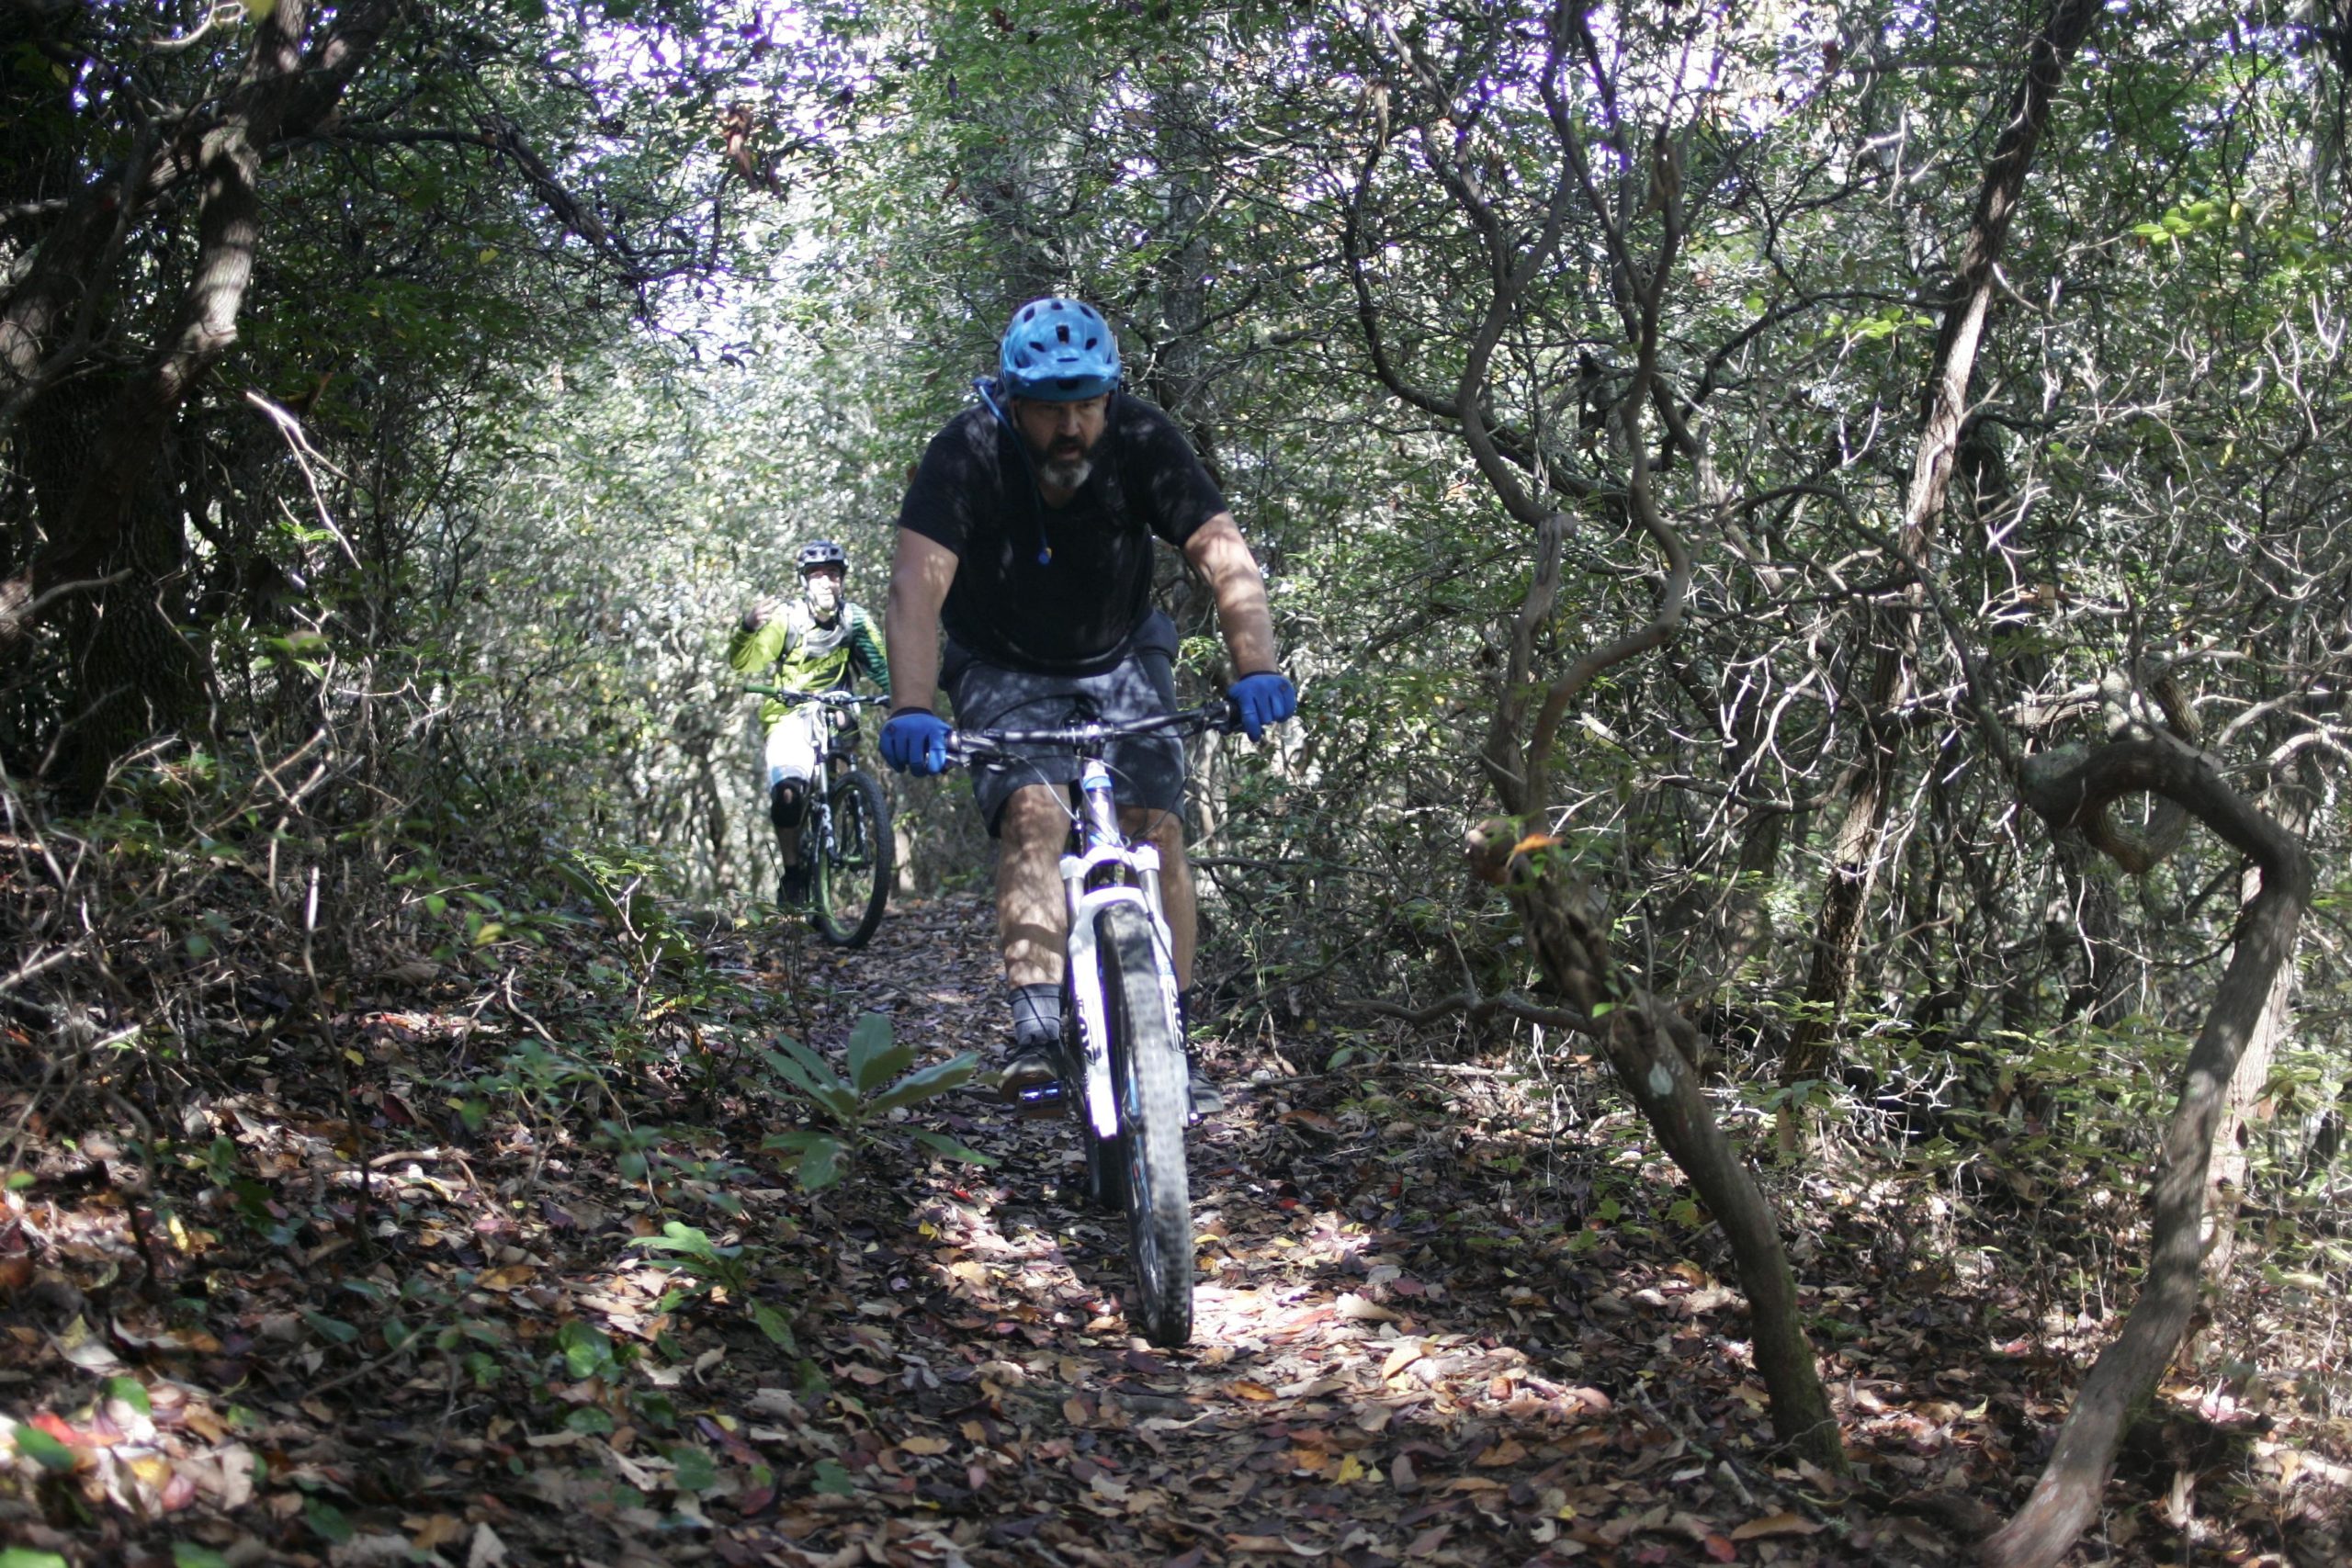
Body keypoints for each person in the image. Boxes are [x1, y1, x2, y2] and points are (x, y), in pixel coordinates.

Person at [876, 296, 1297, 1113]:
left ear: (1110, 395)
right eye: (1049, 409)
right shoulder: (966, 452)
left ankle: (1170, 1035)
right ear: (1011, 401)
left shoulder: (1140, 437)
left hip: (1120, 649)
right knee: (1036, 815)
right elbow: (914, 588)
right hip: (998, 658)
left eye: (1087, 404)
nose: (1071, 428)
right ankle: (1036, 1035)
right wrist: (912, 707)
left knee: (1156, 827)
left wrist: (1256, 665)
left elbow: (1222, 552)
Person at [728, 538, 890, 907]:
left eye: (832, 574)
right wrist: (748, 628)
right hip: (788, 714)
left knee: (842, 782)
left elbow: (881, 666)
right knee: (788, 795)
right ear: (804, 581)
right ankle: (794, 871)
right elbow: (744, 663)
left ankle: (838, 832)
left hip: (837, 712)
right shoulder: (787, 619)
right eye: (816, 575)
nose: (825, 583)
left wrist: (907, 700)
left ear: (842, 580)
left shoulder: (855, 620)